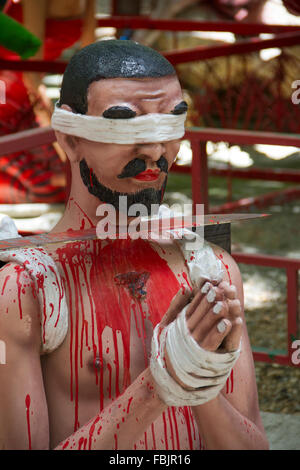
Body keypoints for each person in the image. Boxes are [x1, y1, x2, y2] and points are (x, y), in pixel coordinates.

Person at [0, 39, 269, 450]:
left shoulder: (208, 270)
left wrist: (198, 380)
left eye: (169, 125)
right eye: (125, 124)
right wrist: (159, 385)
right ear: (70, 138)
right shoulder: (26, 292)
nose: (155, 150)